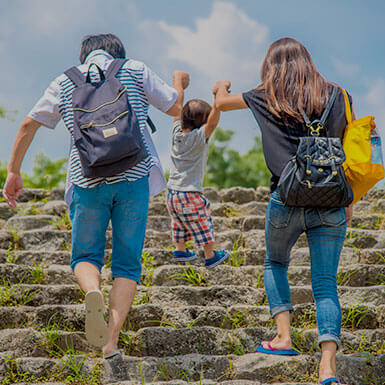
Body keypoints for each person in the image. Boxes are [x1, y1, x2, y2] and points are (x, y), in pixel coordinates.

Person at [2, 33, 185, 359]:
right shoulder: (135, 69)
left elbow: (28, 124)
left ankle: (93, 292)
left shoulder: (64, 81)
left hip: (88, 180)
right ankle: (110, 342)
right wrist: (178, 84)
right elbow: (177, 110)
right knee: (127, 265)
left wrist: (14, 172)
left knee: (85, 256)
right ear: (118, 53)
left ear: (84, 55)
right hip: (133, 178)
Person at [212, 37, 357, 385]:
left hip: (286, 197)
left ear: (271, 66)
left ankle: (283, 337)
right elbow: (350, 152)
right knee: (325, 285)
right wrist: (349, 202)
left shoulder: (266, 95)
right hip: (332, 200)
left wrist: (221, 86)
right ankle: (327, 368)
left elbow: (220, 102)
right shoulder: (339, 95)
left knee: (275, 262)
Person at [166, 71, 230, 267]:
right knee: (202, 221)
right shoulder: (199, 137)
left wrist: (178, 81)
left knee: (179, 222)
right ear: (202, 123)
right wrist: (219, 92)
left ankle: (180, 251)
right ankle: (210, 255)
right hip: (190, 193)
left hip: (172, 194)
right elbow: (214, 119)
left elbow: (178, 105)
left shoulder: (176, 133)